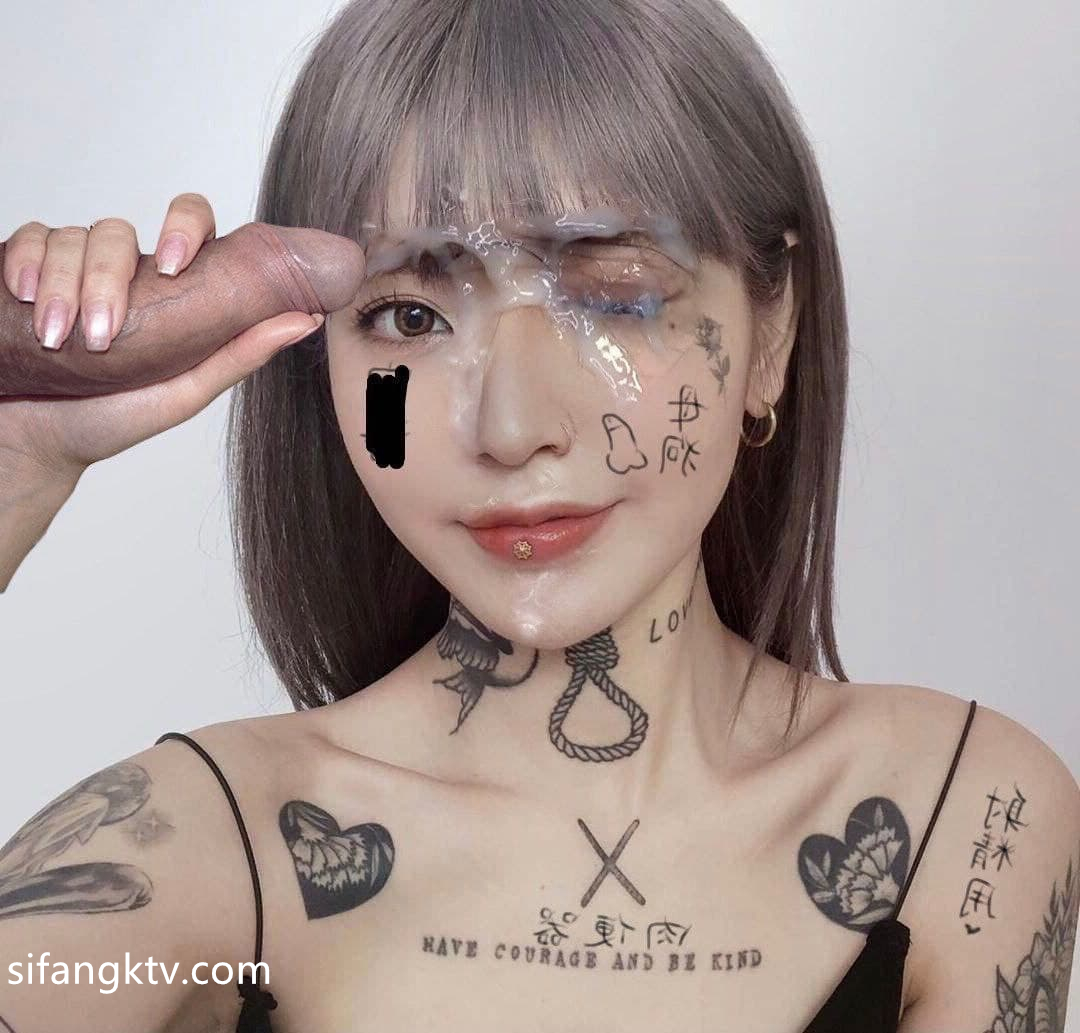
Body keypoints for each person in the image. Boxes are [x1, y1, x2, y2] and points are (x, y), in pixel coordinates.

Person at [1, 1, 1077, 1031]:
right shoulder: (208, 854)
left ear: (773, 331)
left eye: (614, 295)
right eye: (408, 316)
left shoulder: (958, 816)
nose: (510, 428)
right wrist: (14, 464)